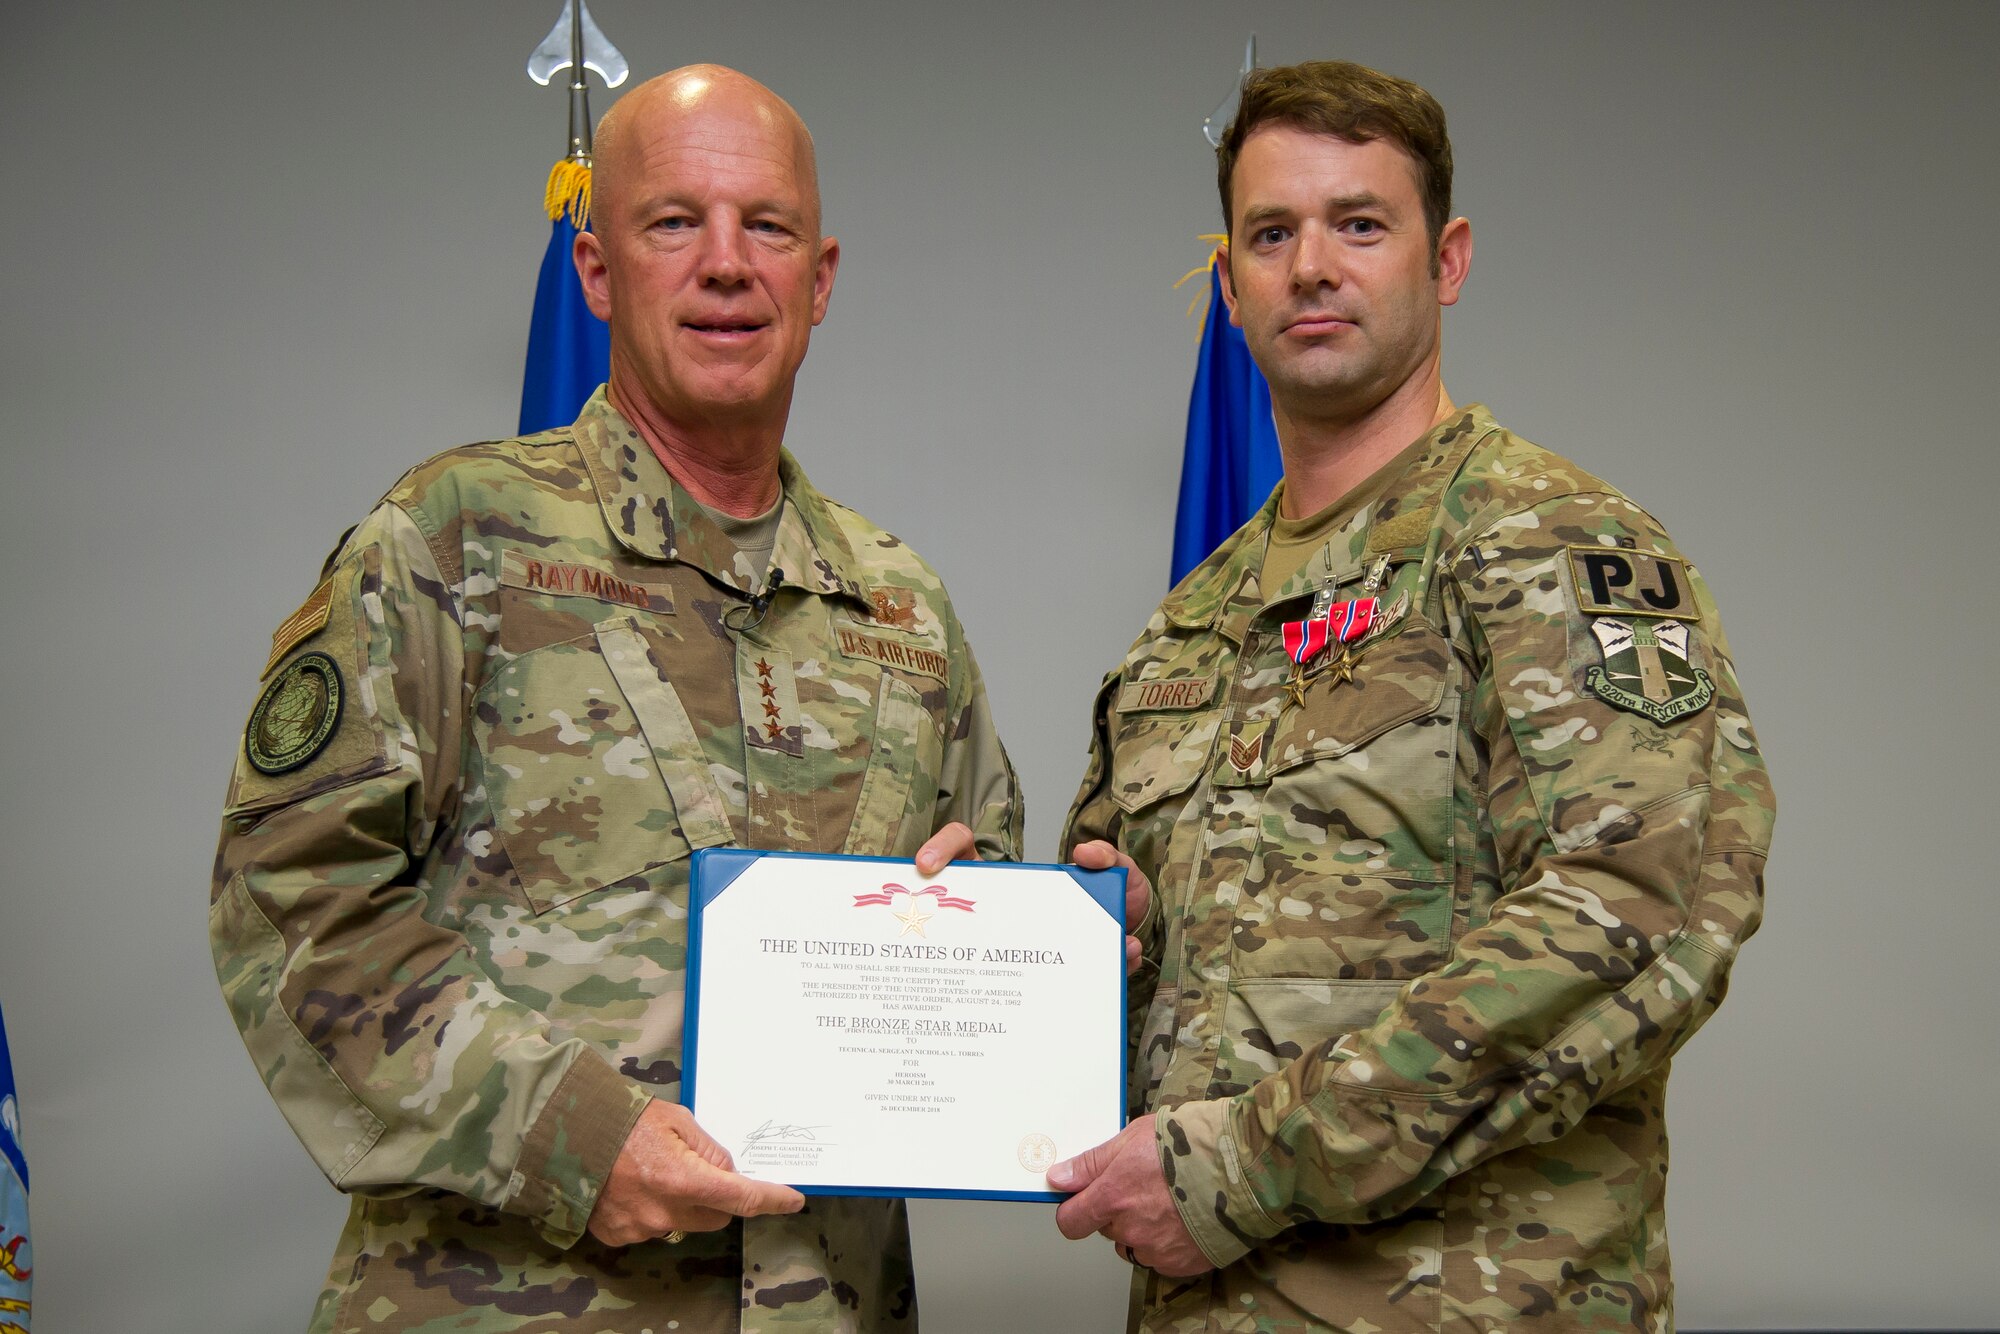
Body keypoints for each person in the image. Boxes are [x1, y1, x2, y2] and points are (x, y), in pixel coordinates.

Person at [210, 65, 1020, 1332]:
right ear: (596, 271)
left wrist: (1058, 935)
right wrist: (572, 1133)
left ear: (820, 278)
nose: (724, 264)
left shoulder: (901, 609)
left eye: (767, 225)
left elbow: (989, 890)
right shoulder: (453, 541)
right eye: (671, 222)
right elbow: (291, 902)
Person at [1049, 60, 1774, 1331]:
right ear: (1226, 282)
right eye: (1270, 233)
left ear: (1445, 259)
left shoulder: (1544, 541)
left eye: (1358, 224)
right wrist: (1010, 942)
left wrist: (1247, 1162)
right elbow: (1148, 968)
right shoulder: (1192, 622)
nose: (1311, 266)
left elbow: (1640, 905)